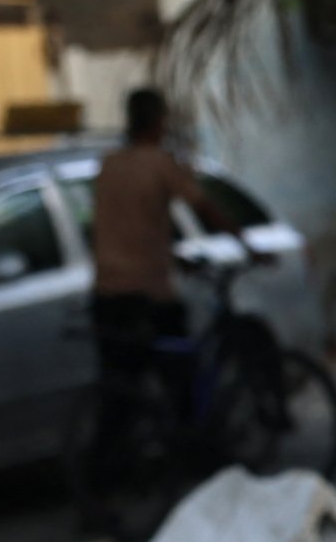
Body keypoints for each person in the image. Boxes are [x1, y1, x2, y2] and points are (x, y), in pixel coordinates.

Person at [90, 86, 250, 357]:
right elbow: (203, 207)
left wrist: (172, 257)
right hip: (148, 291)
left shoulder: (109, 164)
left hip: (107, 292)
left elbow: (127, 228)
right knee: (179, 374)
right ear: (158, 121)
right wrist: (247, 244)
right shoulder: (160, 163)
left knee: (122, 382)